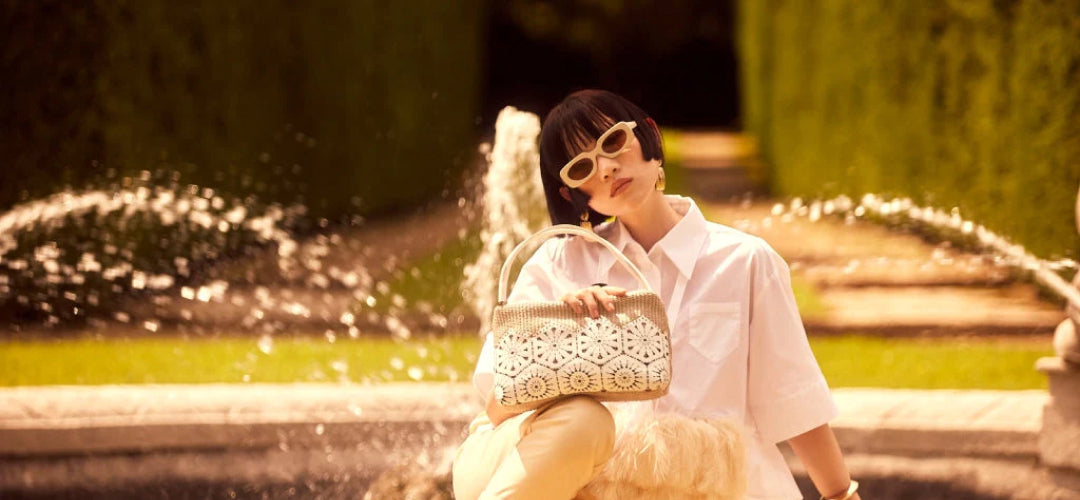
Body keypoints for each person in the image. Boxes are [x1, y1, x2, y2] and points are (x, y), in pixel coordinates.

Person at [452, 89, 862, 500]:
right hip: (600, 487)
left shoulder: (745, 261)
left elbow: (792, 399)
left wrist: (841, 495)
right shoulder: (557, 265)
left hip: (723, 487)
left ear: (648, 136)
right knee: (580, 421)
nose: (608, 168)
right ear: (571, 194)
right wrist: (559, 337)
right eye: (582, 168)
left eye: (612, 142)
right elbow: (499, 407)